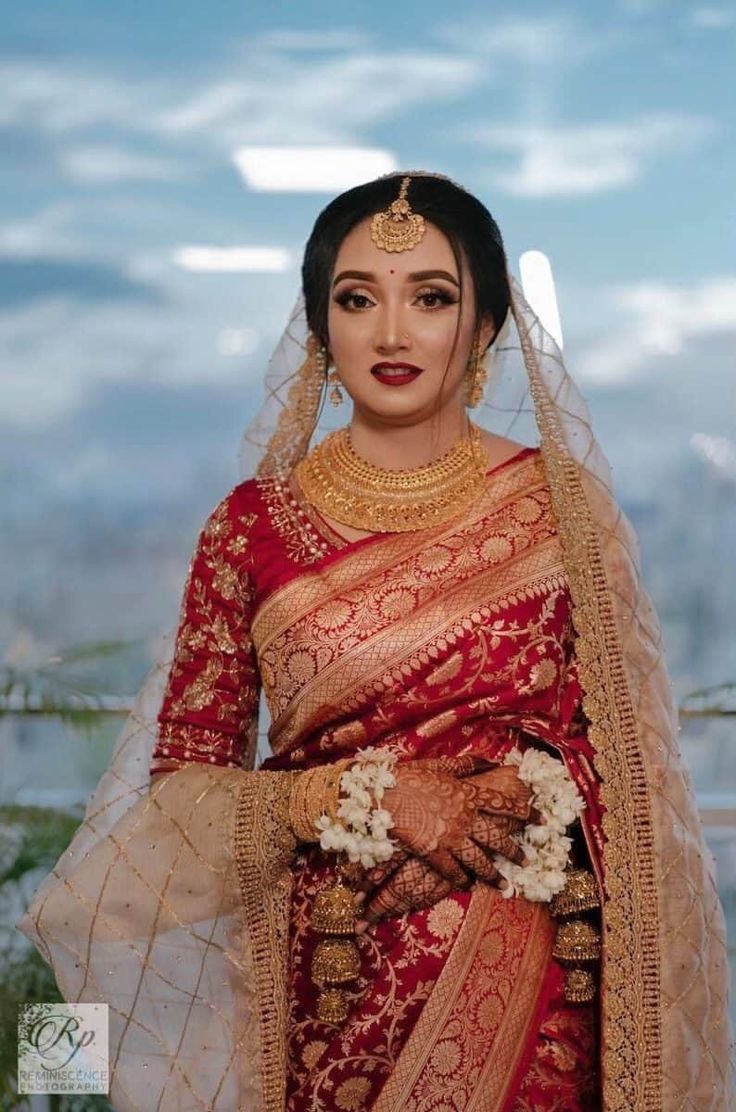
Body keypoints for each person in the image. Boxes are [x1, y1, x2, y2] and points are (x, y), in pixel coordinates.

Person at [18, 172, 733, 1111]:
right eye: (358, 299)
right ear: (321, 329)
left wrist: (529, 781)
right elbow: (182, 801)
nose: (392, 333)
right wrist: (363, 797)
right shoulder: (249, 530)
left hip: (536, 993)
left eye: (430, 298)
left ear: (482, 329)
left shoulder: (563, 512)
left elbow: (638, 778)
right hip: (333, 990)